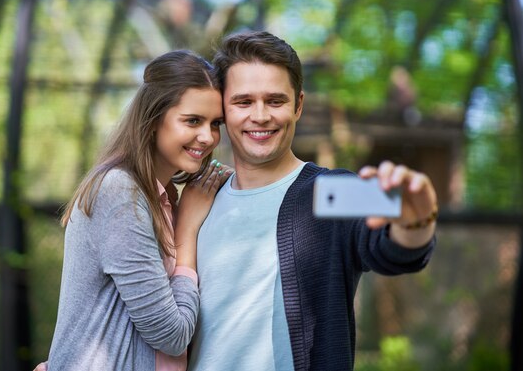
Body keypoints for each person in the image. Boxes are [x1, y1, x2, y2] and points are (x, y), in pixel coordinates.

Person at [186, 31, 438, 371]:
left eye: (275, 101)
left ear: (298, 105)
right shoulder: (199, 199)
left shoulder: (334, 189)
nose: (260, 116)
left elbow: (395, 249)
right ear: (222, 110)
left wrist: (416, 221)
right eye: (243, 102)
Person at [42, 49, 230, 371]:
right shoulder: (119, 192)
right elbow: (171, 335)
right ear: (154, 119)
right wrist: (186, 229)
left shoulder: (162, 196)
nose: (208, 137)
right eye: (192, 121)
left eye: (216, 124)